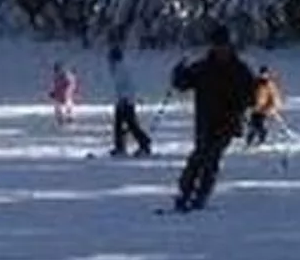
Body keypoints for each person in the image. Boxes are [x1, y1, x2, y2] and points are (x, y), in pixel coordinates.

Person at [169, 25, 256, 212]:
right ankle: (185, 193)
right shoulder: (203, 67)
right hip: (205, 121)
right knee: (197, 157)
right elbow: (182, 84)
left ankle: (201, 195)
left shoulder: (239, 70)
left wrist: (251, 99)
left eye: (224, 46)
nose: (221, 50)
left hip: (228, 122)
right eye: (217, 46)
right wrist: (178, 73)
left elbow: (252, 96)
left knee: (211, 159)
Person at [107, 45, 151, 156]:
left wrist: (124, 99)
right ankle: (120, 146)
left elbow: (129, 86)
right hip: (122, 100)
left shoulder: (121, 69)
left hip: (126, 101)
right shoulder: (117, 68)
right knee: (120, 124)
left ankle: (144, 143)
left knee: (131, 124)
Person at [244, 67, 285, 147]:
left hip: (265, 110)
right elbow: (249, 95)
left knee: (261, 126)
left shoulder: (270, 85)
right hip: (255, 109)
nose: (263, 75)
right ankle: (248, 143)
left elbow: (275, 97)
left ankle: (261, 142)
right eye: (262, 74)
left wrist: (273, 108)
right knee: (252, 126)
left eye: (265, 74)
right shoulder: (255, 83)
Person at [48, 61, 77, 128]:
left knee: (68, 105)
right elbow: (56, 86)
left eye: (57, 69)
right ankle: (60, 121)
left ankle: (70, 120)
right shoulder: (56, 77)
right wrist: (53, 92)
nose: (56, 71)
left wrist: (68, 92)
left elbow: (72, 85)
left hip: (66, 94)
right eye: (56, 70)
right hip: (59, 95)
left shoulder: (67, 76)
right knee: (57, 107)